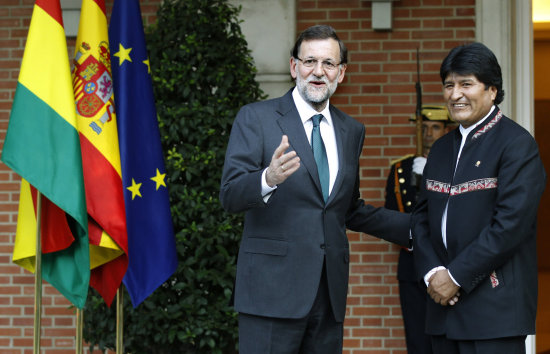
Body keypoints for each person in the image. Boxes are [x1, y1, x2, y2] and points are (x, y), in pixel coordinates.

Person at [220, 25, 410, 354]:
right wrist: (268, 178)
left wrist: (418, 228)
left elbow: (346, 208)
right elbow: (230, 194)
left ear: (341, 73)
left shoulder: (351, 131)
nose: (318, 72)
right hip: (271, 296)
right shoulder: (257, 118)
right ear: (294, 67)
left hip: (328, 296)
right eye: (309, 61)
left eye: (328, 64)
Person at [412, 42, 546, 354]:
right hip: (442, 311)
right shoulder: (442, 150)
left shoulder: (517, 145)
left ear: (492, 91)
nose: (455, 94)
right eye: (449, 85)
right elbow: (420, 219)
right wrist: (434, 274)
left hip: (493, 314)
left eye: (466, 84)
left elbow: (509, 226)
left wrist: (455, 277)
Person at [384, 105, 454, 354]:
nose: (428, 134)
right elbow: (394, 218)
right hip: (412, 263)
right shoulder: (401, 169)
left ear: (446, 130)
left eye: (434, 127)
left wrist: (429, 176)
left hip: (449, 265)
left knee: (448, 339)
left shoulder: (456, 165)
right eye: (422, 128)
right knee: (417, 340)